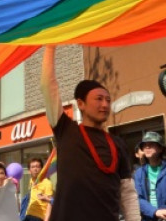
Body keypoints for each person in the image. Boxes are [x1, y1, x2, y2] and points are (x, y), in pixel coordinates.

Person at [40, 46, 140, 221]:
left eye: (108, 100)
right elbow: (48, 86)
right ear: (81, 104)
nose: (105, 105)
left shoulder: (118, 143)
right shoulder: (66, 130)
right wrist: (50, 45)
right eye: (99, 99)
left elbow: (127, 191)